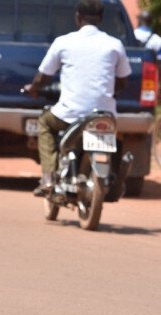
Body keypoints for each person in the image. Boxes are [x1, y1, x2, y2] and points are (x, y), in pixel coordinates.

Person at [23, 0, 131, 196]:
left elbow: (43, 77)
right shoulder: (115, 45)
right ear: (100, 19)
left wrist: (33, 88)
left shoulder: (64, 42)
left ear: (78, 18)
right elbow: (122, 83)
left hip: (69, 114)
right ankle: (114, 178)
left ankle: (47, 177)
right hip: (105, 116)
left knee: (45, 123)